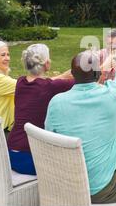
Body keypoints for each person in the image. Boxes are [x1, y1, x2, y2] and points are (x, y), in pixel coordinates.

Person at [45, 50, 116, 205]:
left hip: (65, 180)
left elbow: (49, 139)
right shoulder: (112, 94)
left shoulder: (55, 102)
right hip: (101, 187)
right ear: (98, 74)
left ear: (72, 74)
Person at [7, 44, 74, 175]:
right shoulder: (49, 87)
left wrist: (63, 75)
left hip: (11, 152)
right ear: (47, 63)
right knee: (70, 163)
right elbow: (82, 81)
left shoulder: (21, 82)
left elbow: (46, 82)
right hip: (30, 157)